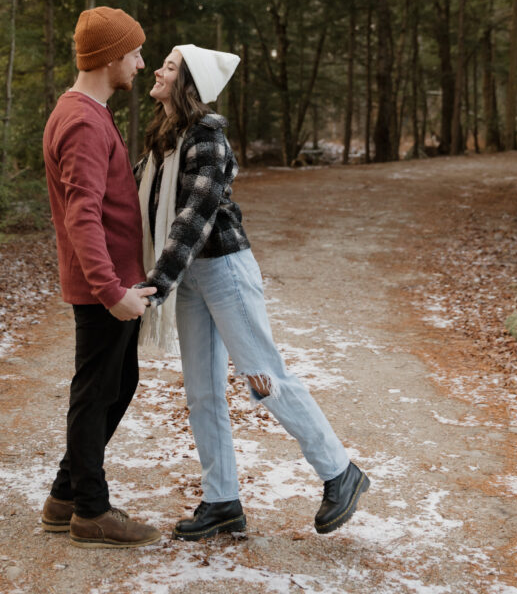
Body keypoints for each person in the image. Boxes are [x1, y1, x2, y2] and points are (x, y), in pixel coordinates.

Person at [135, 43, 370, 541]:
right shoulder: (164, 141)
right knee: (201, 392)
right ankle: (222, 501)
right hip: (190, 279)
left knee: (265, 377)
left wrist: (158, 282)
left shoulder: (208, 141)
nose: (157, 70)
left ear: (188, 85)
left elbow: (195, 216)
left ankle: (338, 471)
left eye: (169, 67)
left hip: (224, 271)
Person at [41, 6, 160, 548]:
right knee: (94, 392)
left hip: (110, 280)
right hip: (103, 285)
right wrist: (112, 292)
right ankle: (90, 510)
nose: (141, 62)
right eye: (134, 52)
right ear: (111, 57)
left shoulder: (83, 111)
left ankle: (66, 495)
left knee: (115, 383)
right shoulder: (85, 120)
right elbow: (81, 214)